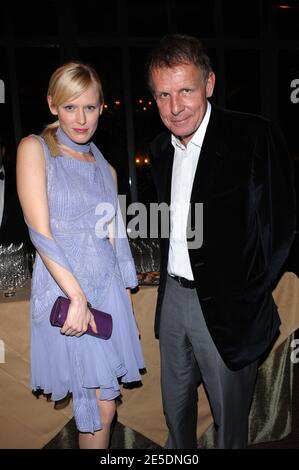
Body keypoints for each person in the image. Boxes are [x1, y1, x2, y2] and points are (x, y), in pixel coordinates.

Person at [147, 34, 296, 449]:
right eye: (163, 95)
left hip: (231, 307)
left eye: (185, 91)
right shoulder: (159, 149)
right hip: (173, 300)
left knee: (231, 428)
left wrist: (247, 289)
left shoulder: (253, 136)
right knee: (175, 416)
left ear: (209, 84)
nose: (175, 107)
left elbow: (280, 228)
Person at [16, 62, 144, 449]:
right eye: (70, 107)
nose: (81, 118)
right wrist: (76, 296)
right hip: (64, 289)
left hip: (104, 293)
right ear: (52, 104)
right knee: (98, 408)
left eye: (90, 107)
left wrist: (123, 302)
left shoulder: (106, 169)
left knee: (106, 408)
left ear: (102, 107)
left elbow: (112, 240)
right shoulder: (34, 149)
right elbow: (40, 231)